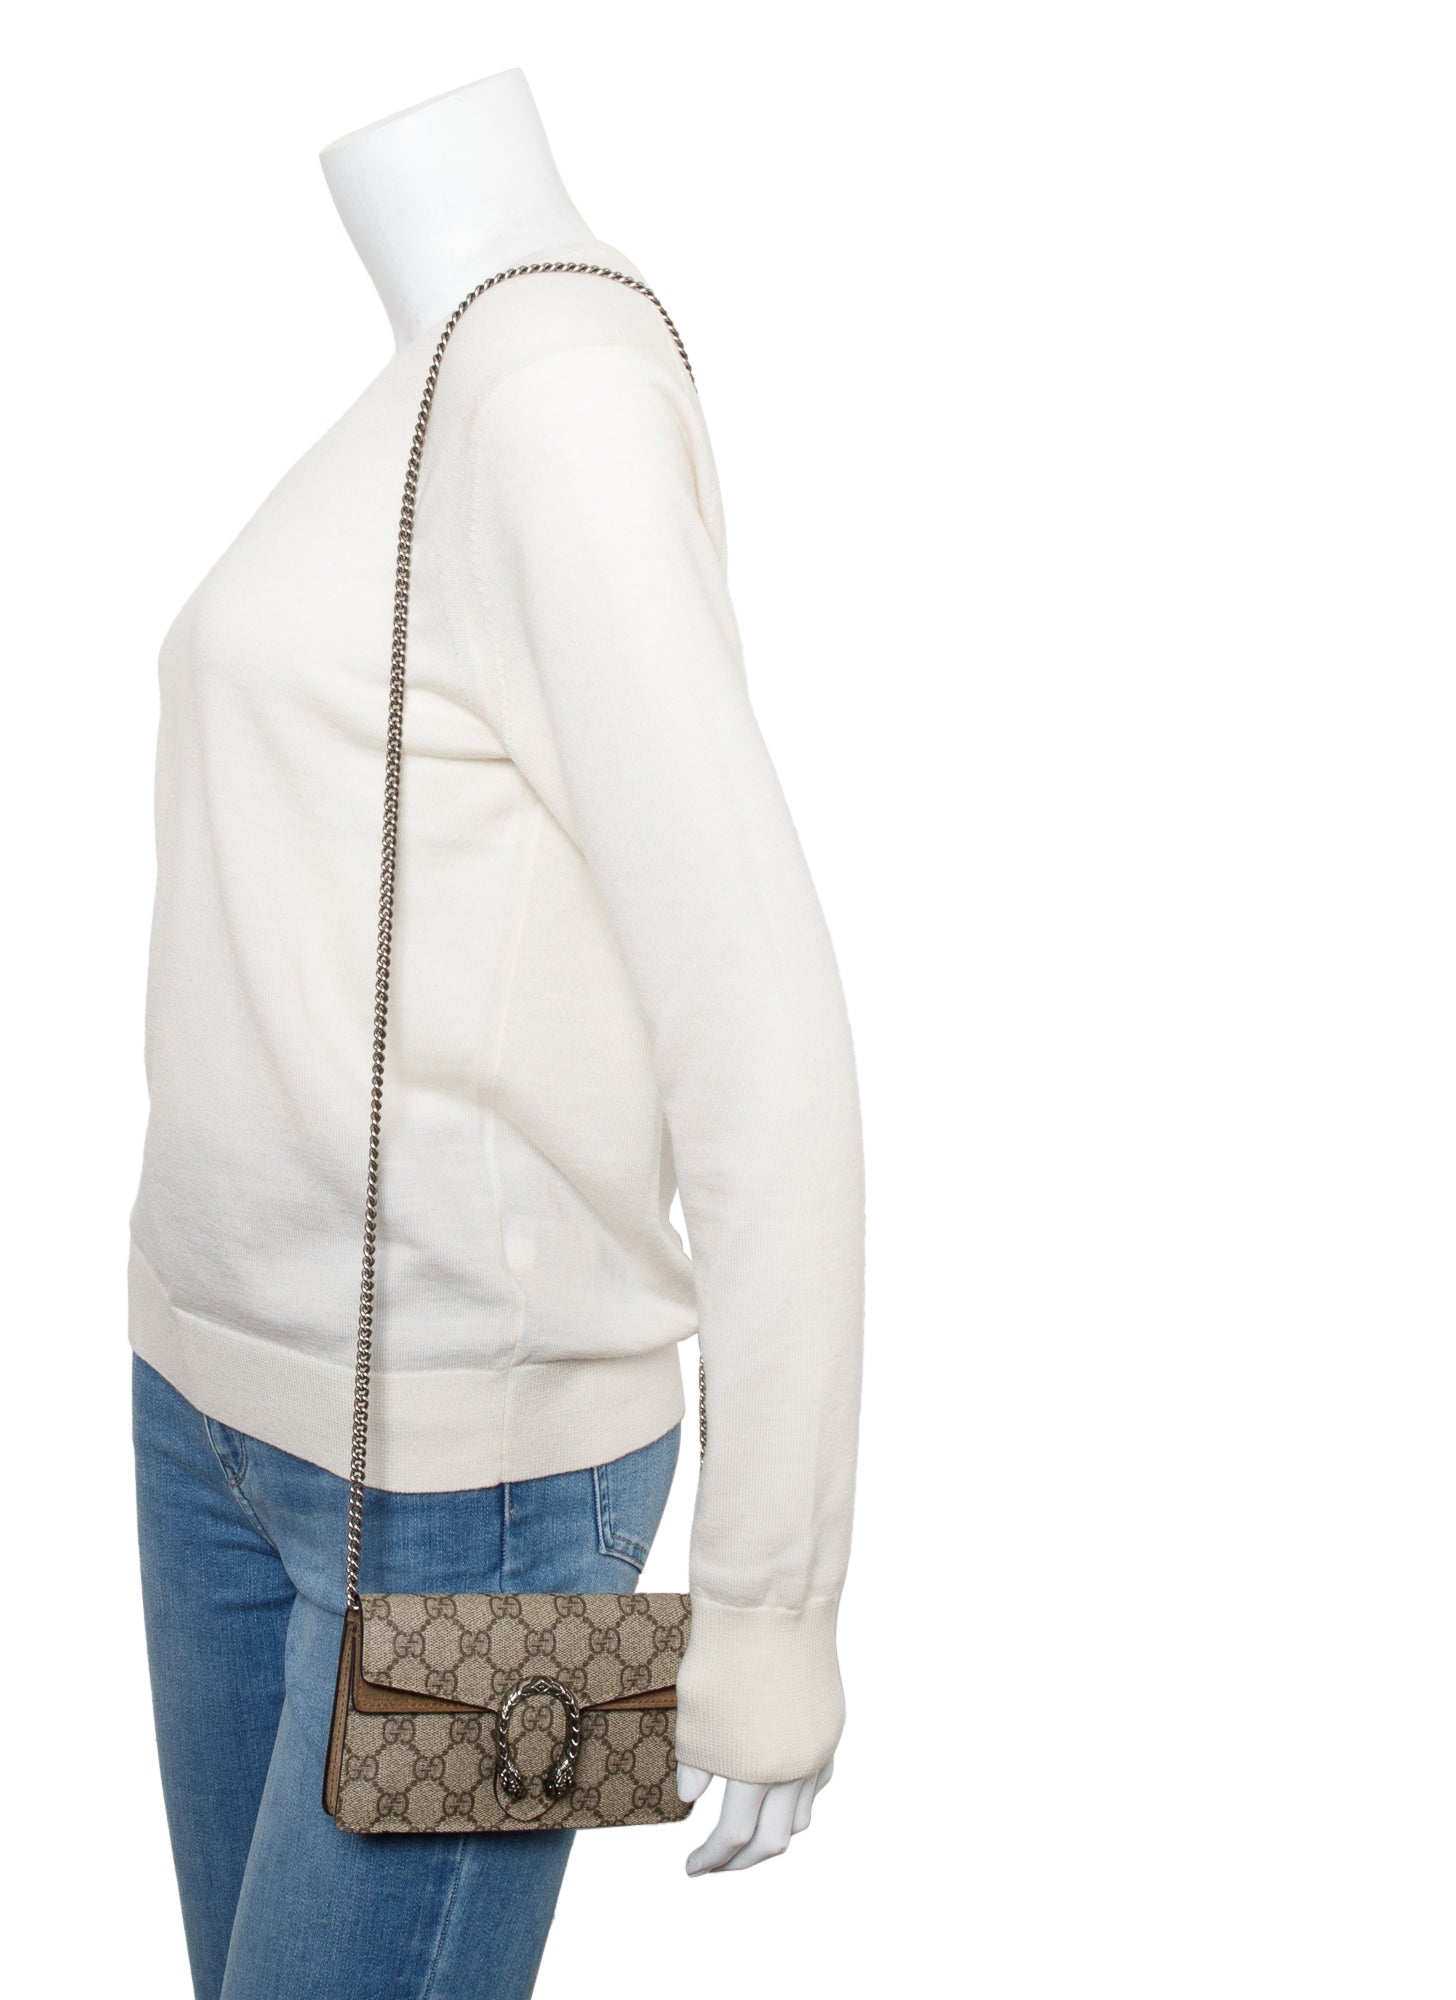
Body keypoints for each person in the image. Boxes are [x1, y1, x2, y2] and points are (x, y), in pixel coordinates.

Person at [129, 67, 865, 2000]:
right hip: (210, 1411)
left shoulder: (554, 391)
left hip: (461, 1477)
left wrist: (772, 1608)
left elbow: (760, 1015)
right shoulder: (427, 380)